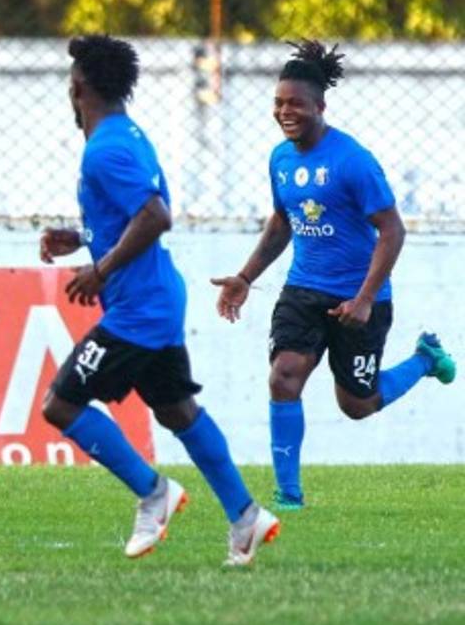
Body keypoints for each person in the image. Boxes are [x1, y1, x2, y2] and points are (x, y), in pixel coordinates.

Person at [39, 35, 278, 566]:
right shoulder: (126, 135)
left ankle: (153, 494)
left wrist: (100, 269)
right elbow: (132, 214)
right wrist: (82, 238)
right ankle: (245, 516)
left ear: (77, 88)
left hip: (138, 311)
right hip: (155, 300)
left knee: (61, 404)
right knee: (177, 410)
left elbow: (155, 216)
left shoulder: (105, 149)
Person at [211, 40, 455, 511]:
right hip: (303, 290)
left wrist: (365, 298)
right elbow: (283, 222)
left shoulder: (353, 161)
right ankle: (288, 496)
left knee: (357, 405)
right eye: (278, 103)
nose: (285, 112)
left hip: (359, 299)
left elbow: (392, 230)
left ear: (320, 106)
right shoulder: (280, 159)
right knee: (284, 378)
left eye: (295, 104)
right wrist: (245, 276)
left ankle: (425, 359)